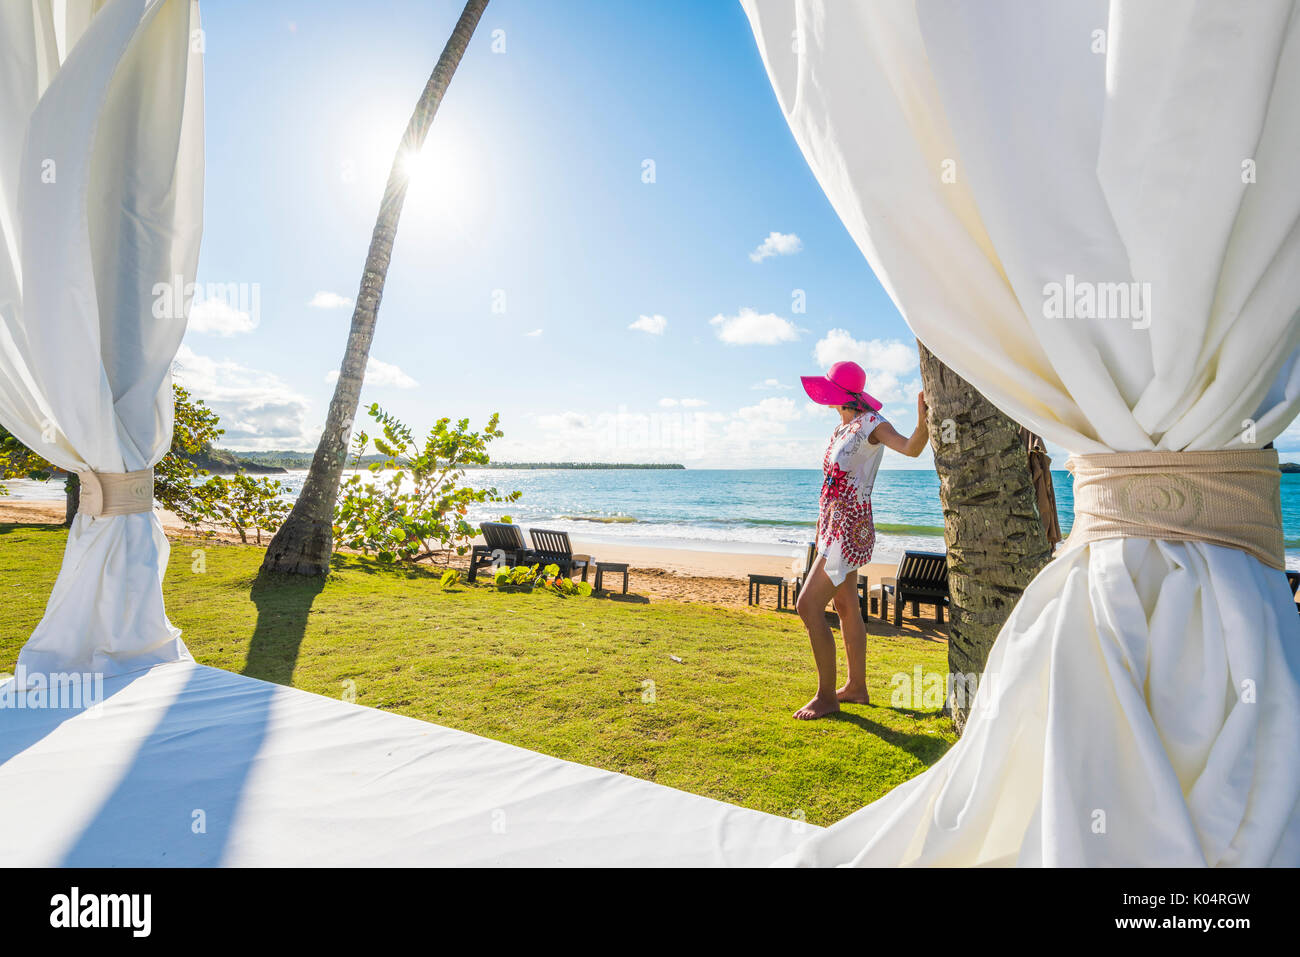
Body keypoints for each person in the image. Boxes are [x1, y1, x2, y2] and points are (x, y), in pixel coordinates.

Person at [793, 360, 930, 720]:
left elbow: (912, 448)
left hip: (848, 528)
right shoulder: (840, 430)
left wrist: (923, 421)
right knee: (846, 606)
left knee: (807, 606)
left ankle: (826, 696)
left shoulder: (872, 424)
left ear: (840, 395)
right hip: (830, 526)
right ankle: (856, 687)